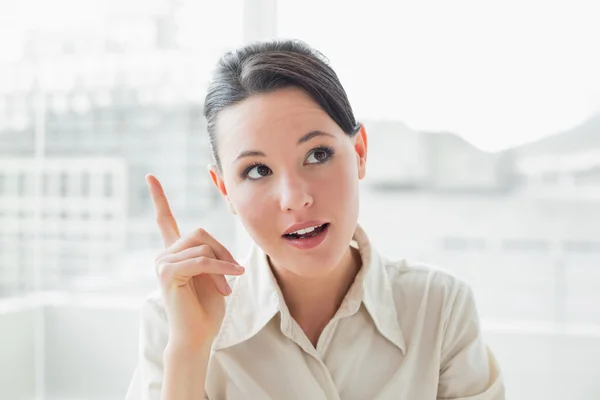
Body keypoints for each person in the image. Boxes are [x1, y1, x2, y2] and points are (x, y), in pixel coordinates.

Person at [125, 39, 505, 400]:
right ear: (224, 190)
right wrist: (189, 352)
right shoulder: (174, 320)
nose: (295, 198)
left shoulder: (439, 308)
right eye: (257, 170)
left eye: (318, 154)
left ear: (358, 152)